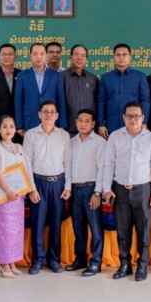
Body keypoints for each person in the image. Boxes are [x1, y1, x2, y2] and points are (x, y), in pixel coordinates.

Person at [103, 101, 151, 282]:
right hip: (119, 189)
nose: (133, 119)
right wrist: (107, 189)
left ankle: (142, 265)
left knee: (143, 230)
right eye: (129, 116)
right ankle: (125, 264)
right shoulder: (115, 137)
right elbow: (109, 164)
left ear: (143, 118)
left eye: (137, 116)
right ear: (124, 117)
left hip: (143, 190)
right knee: (123, 230)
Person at [23, 100, 72, 274]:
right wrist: (31, 188)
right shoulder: (30, 135)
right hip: (38, 183)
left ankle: (53, 259)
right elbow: (26, 163)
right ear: (39, 114)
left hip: (58, 183)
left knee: (56, 223)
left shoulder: (64, 136)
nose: (49, 115)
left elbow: (68, 161)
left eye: (52, 112)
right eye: (45, 111)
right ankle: (37, 260)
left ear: (57, 115)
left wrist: (68, 186)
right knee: (38, 223)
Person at [66, 109, 106, 277]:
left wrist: (97, 193)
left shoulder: (100, 142)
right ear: (76, 123)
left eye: (87, 121)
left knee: (95, 227)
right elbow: (68, 165)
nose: (83, 124)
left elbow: (103, 168)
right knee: (78, 227)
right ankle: (80, 258)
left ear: (93, 124)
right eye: (80, 120)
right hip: (75, 189)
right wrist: (68, 188)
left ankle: (96, 262)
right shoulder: (71, 142)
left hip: (91, 189)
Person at [0, 115, 26, 278]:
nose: (8, 130)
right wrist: (7, 190)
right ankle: (3, 263)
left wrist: (23, 189)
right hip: (3, 195)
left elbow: (23, 169)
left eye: (11, 126)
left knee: (15, 230)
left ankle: (12, 261)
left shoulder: (18, 148)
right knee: (4, 229)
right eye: (5, 126)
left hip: (17, 195)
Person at [98, 43, 151, 137]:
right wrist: (101, 124)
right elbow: (101, 102)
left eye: (124, 54)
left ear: (130, 57)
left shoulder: (140, 76)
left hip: (135, 125)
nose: (121, 57)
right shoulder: (105, 78)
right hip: (112, 125)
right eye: (118, 55)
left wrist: (144, 122)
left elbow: (145, 101)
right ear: (113, 57)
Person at [14, 42, 67, 133]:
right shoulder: (22, 76)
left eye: (42, 54)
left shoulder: (56, 75)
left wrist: (62, 124)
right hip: (30, 121)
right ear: (30, 56)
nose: (38, 57)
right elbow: (18, 102)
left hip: (51, 121)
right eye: (35, 54)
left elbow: (61, 101)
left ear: (46, 56)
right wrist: (19, 125)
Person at [62, 43, 98, 136]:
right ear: (71, 57)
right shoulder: (61, 77)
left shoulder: (93, 78)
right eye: (77, 54)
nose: (79, 58)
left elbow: (98, 102)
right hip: (68, 129)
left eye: (83, 55)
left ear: (86, 59)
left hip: (90, 129)